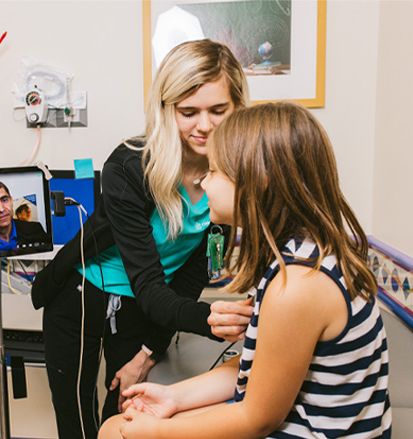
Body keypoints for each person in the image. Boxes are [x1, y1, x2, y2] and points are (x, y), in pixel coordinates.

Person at [99, 102, 392, 439]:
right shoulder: (303, 256)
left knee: (116, 431)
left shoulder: (296, 287)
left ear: (257, 180)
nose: (203, 183)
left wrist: (157, 432)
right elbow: (259, 368)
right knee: (122, 425)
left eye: (213, 171)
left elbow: (257, 418)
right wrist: (174, 397)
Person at [30, 39, 250, 439]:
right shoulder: (130, 167)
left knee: (129, 411)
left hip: (144, 303)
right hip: (84, 291)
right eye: (189, 112)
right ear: (166, 109)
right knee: (75, 416)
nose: (205, 125)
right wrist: (210, 321)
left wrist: (150, 349)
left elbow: (191, 276)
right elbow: (147, 282)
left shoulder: (232, 176)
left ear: (237, 107)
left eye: (219, 110)